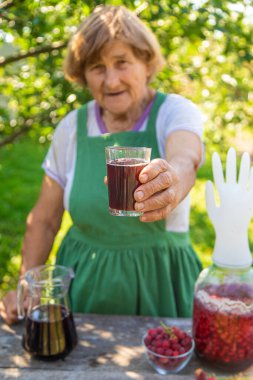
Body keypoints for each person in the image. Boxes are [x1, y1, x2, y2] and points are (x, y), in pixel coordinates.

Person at [0, 4, 204, 325]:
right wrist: (27, 284)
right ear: (83, 76)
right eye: (97, 67)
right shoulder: (71, 128)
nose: (111, 81)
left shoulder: (174, 112)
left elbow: (186, 159)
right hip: (84, 282)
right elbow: (44, 219)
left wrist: (170, 181)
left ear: (146, 63)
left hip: (161, 282)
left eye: (122, 63)